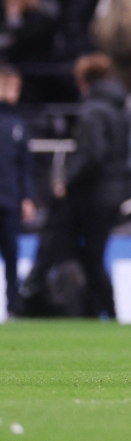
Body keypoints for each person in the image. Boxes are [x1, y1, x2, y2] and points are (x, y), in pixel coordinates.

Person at [57, 53, 128, 318]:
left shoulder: (92, 110)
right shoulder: (118, 107)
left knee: (92, 256)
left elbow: (91, 154)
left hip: (96, 194)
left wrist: (66, 180)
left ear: (82, 79)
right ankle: (97, 311)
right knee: (94, 254)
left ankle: (106, 312)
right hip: (115, 190)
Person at [0, 64, 34, 315]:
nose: (13, 91)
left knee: (12, 255)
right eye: (7, 85)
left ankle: (14, 306)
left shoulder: (19, 124)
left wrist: (27, 197)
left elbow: (25, 166)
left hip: (9, 200)